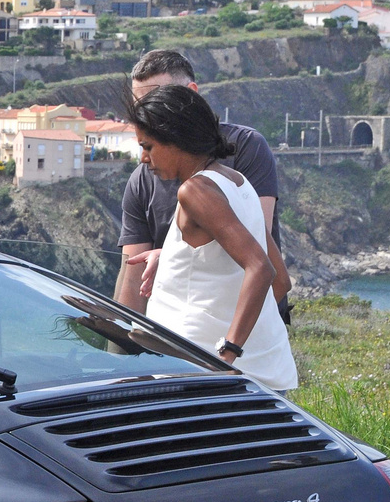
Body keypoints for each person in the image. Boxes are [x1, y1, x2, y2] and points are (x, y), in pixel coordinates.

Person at [127, 84, 298, 391]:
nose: (143, 158)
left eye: (148, 146)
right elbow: (280, 281)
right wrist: (248, 340)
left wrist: (227, 355)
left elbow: (261, 269)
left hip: (200, 375)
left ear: (176, 140)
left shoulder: (195, 191)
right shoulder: (239, 184)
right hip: (263, 374)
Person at [115, 50, 293, 324]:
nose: (148, 115)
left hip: (242, 322)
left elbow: (257, 241)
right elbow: (133, 275)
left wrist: (236, 346)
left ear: (192, 94)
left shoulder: (246, 147)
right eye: (141, 106)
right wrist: (121, 346)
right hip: (181, 330)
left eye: (158, 100)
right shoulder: (141, 179)